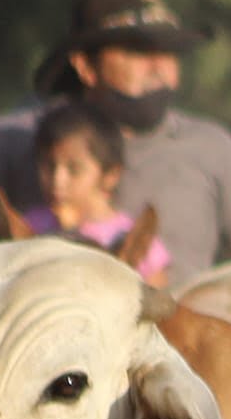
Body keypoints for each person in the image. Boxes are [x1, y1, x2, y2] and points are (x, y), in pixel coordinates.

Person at [0, 0, 231, 363]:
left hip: (177, 365)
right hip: (45, 371)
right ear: (85, 66)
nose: (158, 67)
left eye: (169, 53)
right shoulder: (15, 140)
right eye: (138, 51)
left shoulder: (213, 150)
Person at [25, 103, 171, 285]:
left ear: (110, 175)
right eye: (49, 166)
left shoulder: (136, 242)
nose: (57, 181)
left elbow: (156, 301)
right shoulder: (30, 228)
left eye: (74, 170)